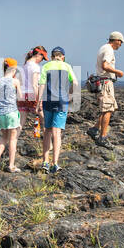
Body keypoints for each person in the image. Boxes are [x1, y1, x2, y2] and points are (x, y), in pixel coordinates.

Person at [37, 46, 78, 175]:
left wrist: (39, 102)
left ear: (52, 56)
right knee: (57, 132)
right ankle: (55, 163)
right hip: (61, 101)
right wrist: (70, 95)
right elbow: (75, 83)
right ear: (63, 56)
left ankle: (45, 162)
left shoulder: (46, 66)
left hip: (48, 100)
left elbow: (42, 85)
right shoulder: (67, 66)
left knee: (47, 130)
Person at [88, 31, 124, 148]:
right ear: (117, 40)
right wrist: (117, 72)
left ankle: (94, 129)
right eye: (120, 42)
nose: (120, 45)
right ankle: (102, 137)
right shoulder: (109, 50)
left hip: (103, 82)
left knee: (107, 108)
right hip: (106, 83)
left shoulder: (103, 48)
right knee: (107, 110)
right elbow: (105, 65)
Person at [0, 58, 22, 173]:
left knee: (4, 138)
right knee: (13, 139)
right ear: (13, 69)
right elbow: (20, 97)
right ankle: (11, 165)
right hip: (12, 112)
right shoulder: (15, 81)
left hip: (1, 113)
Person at [17, 45, 46, 150]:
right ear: (38, 54)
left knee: (21, 122)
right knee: (44, 119)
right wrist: (39, 100)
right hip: (31, 94)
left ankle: (13, 142)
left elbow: (20, 82)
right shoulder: (35, 67)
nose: (42, 60)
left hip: (22, 96)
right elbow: (35, 85)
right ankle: (49, 144)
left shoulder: (24, 66)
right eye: (42, 58)